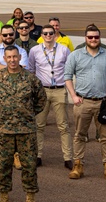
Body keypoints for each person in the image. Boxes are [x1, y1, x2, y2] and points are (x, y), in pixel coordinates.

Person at [65, 24, 106, 183]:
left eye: (96, 37)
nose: (93, 40)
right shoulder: (75, 55)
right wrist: (73, 95)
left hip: (103, 103)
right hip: (82, 102)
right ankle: (78, 165)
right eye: (90, 37)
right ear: (85, 38)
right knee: (79, 135)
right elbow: (67, 76)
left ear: (100, 38)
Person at [0, 44, 46, 202]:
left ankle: (30, 198)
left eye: (15, 57)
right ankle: (4, 197)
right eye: (9, 57)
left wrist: (26, 113)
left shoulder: (31, 79)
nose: (12, 60)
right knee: (3, 165)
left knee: (29, 165)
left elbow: (40, 100)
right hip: (4, 129)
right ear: (4, 59)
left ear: (20, 58)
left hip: (26, 129)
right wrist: (4, 112)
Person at [27, 26, 73, 169]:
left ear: (55, 35)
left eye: (51, 33)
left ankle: (67, 158)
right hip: (42, 91)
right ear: (41, 35)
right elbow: (31, 70)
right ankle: (38, 156)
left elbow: (69, 68)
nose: (48, 36)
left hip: (59, 89)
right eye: (45, 33)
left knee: (63, 126)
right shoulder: (35, 51)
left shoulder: (64, 50)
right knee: (39, 125)